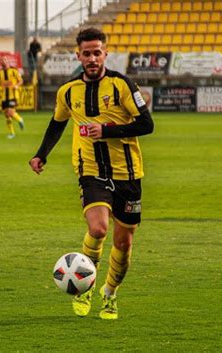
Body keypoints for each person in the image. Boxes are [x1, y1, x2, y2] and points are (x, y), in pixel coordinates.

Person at [29, 27, 154, 320]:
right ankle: (85, 285)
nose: (92, 58)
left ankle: (109, 294)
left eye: (97, 52)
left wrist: (107, 130)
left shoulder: (123, 86)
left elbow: (146, 125)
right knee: (98, 229)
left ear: (105, 53)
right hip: (90, 170)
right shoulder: (69, 91)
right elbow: (57, 123)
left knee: (123, 243)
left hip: (128, 173)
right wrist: (40, 154)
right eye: (87, 53)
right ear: (79, 55)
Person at [0, 56, 25, 139]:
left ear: (8, 61)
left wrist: (17, 86)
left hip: (13, 95)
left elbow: (21, 80)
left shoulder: (14, 71)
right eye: (1, 60)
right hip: (4, 97)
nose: (3, 61)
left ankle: (20, 120)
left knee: (10, 112)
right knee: (7, 116)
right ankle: (12, 133)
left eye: (4, 59)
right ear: (0, 63)